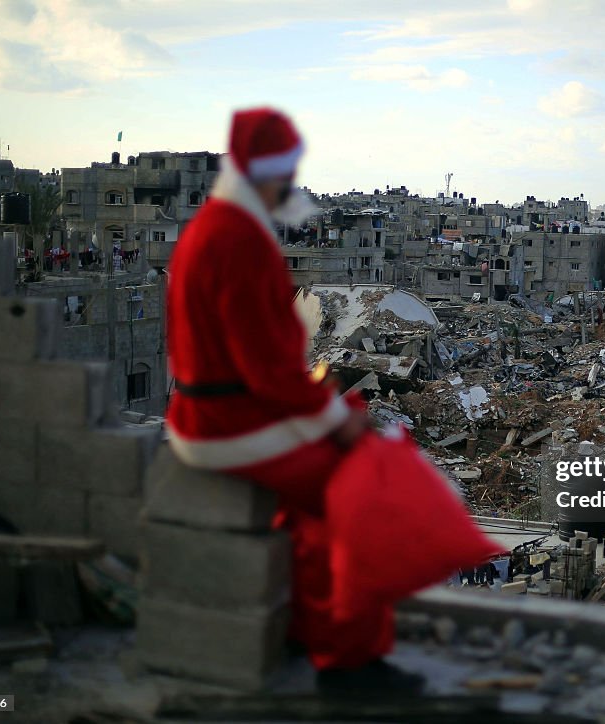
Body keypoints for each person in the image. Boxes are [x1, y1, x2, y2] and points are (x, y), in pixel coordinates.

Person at [165, 108, 423, 693]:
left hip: (204, 411)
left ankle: (299, 622)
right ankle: (346, 661)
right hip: (228, 422)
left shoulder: (210, 228)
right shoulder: (241, 242)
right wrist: (335, 420)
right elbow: (268, 368)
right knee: (356, 489)